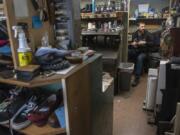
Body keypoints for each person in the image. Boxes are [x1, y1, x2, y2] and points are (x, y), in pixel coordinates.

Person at [128, 22, 153, 87]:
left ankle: (137, 78)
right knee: (128, 52)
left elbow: (152, 43)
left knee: (140, 58)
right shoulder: (134, 34)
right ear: (138, 27)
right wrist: (132, 44)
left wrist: (145, 42)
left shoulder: (147, 34)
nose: (143, 28)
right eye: (141, 26)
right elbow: (131, 43)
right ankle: (126, 71)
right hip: (136, 50)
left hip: (144, 52)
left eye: (144, 26)